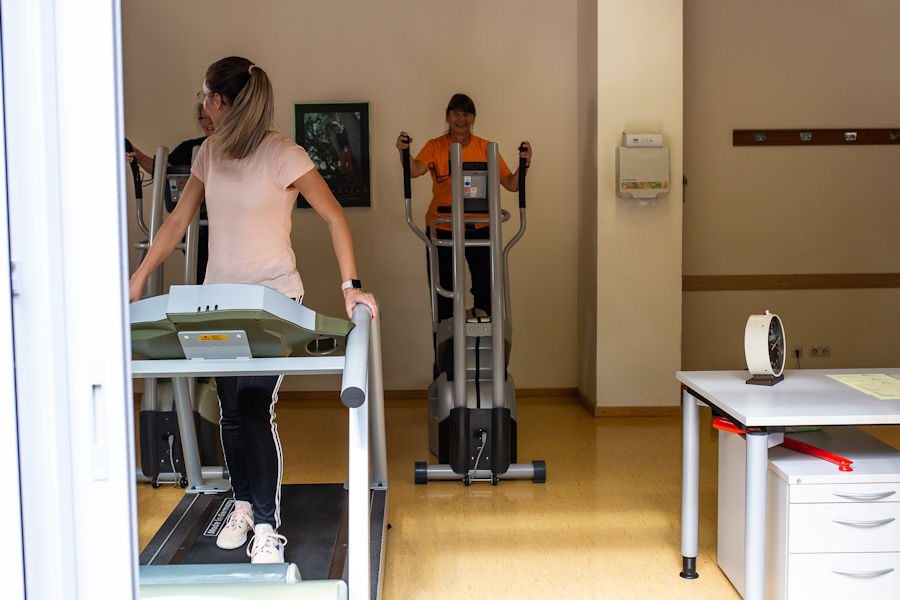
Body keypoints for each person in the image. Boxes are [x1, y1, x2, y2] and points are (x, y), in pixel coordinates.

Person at [129, 56, 377, 564]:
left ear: (220, 100)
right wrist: (135, 281)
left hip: (273, 300)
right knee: (231, 412)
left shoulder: (283, 154)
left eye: (204, 95)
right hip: (218, 302)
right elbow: (177, 223)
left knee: (252, 406)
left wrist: (350, 287)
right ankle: (242, 505)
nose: (202, 104)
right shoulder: (207, 154)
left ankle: (266, 525)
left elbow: (334, 217)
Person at [396, 93, 532, 322]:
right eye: (456, 113)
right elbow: (414, 170)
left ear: (473, 118)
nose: (461, 118)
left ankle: (486, 346)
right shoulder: (435, 146)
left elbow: (511, 184)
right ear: (448, 116)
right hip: (443, 229)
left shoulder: (486, 148)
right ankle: (446, 352)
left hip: (479, 228)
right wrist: (403, 151)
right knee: (444, 295)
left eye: (466, 114)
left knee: (486, 291)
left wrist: (524, 164)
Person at [127, 104, 216, 282]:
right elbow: (163, 170)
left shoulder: (235, 150)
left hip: (222, 228)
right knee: (200, 276)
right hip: (194, 226)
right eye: (203, 118)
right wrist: (140, 156)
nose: (208, 122)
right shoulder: (190, 148)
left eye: (211, 116)